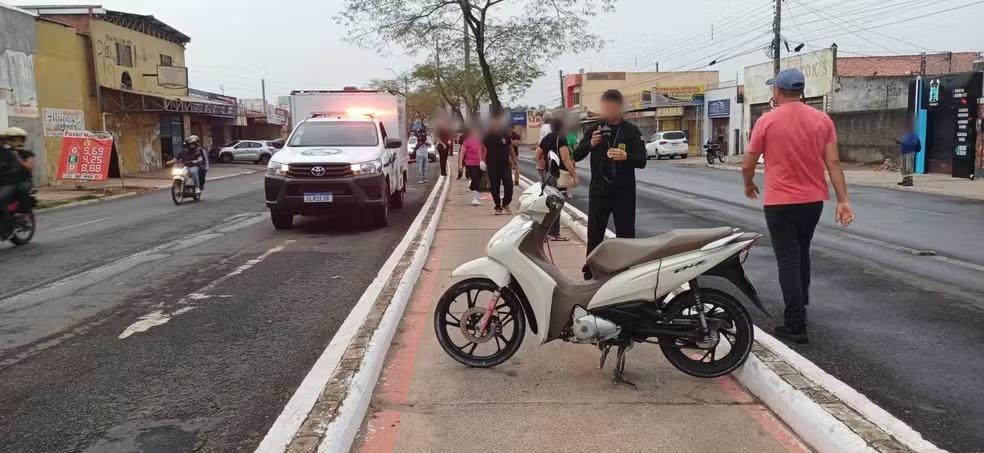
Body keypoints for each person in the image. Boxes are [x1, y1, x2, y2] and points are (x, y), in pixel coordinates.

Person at [743, 68, 855, 345]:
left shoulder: (767, 121)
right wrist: (843, 200)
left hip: (780, 202)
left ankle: (795, 322)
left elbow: (748, 162)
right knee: (801, 251)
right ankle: (800, 302)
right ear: (802, 91)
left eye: (774, 89)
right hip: (812, 201)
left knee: (788, 259)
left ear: (777, 91)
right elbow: (833, 163)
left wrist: (748, 183)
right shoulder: (822, 119)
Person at [573, 89, 647, 280]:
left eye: (612, 107)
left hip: (624, 193)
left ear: (619, 108)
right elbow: (576, 154)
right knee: (595, 235)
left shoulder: (631, 131)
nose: (608, 111)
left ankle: (626, 273)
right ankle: (591, 270)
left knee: (626, 235)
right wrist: (591, 143)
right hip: (599, 192)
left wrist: (626, 156)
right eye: (605, 107)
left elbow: (642, 160)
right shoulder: (594, 130)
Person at [534, 116, 577, 241]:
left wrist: (544, 166)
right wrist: (574, 175)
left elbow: (536, 155)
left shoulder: (547, 138)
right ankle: (555, 233)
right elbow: (565, 159)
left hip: (549, 174)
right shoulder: (561, 138)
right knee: (557, 204)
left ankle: (547, 231)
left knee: (549, 203)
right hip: (560, 174)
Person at [0, 127, 36, 239]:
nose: (18, 141)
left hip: (19, 182)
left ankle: (8, 228)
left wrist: (18, 159)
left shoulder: (26, 153)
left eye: (20, 139)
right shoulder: (5, 152)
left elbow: (29, 167)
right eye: (14, 139)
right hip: (6, 182)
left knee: (1, 198)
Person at [483, 114, 518, 215]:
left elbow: (510, 148)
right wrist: (481, 160)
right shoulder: (487, 137)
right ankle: (498, 207)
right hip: (492, 165)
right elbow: (481, 148)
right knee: (495, 187)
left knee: (509, 185)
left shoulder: (505, 136)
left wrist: (515, 161)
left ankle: (506, 202)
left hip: (505, 165)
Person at [458, 128, 485, 206]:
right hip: (470, 163)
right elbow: (462, 153)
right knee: (475, 178)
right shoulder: (467, 141)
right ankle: (474, 198)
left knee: (478, 180)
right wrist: (460, 164)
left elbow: (485, 151)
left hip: (480, 164)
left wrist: (486, 162)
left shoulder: (482, 141)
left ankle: (476, 195)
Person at [894, 121, 921, 187]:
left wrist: (902, 143)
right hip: (903, 152)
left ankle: (910, 181)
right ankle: (905, 180)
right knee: (903, 168)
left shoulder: (914, 135)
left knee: (909, 167)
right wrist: (898, 142)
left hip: (910, 152)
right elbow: (902, 142)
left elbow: (913, 144)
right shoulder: (904, 134)